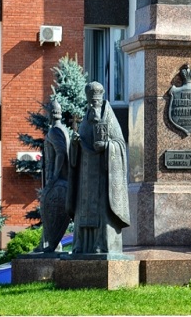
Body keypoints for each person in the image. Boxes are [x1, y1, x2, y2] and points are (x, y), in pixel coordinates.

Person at [66, 81, 131, 254]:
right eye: (90, 102)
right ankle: (81, 245)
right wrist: (75, 144)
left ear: (101, 100)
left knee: (101, 210)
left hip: (103, 174)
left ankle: (101, 244)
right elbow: (80, 147)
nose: (92, 105)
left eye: (95, 102)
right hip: (85, 175)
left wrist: (107, 146)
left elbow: (120, 144)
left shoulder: (109, 118)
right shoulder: (85, 119)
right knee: (82, 210)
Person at [37, 99, 71, 253]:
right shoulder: (62, 129)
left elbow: (61, 153)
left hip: (56, 180)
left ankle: (51, 244)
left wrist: (55, 176)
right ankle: (44, 243)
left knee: (51, 209)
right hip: (58, 179)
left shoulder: (54, 131)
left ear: (50, 114)